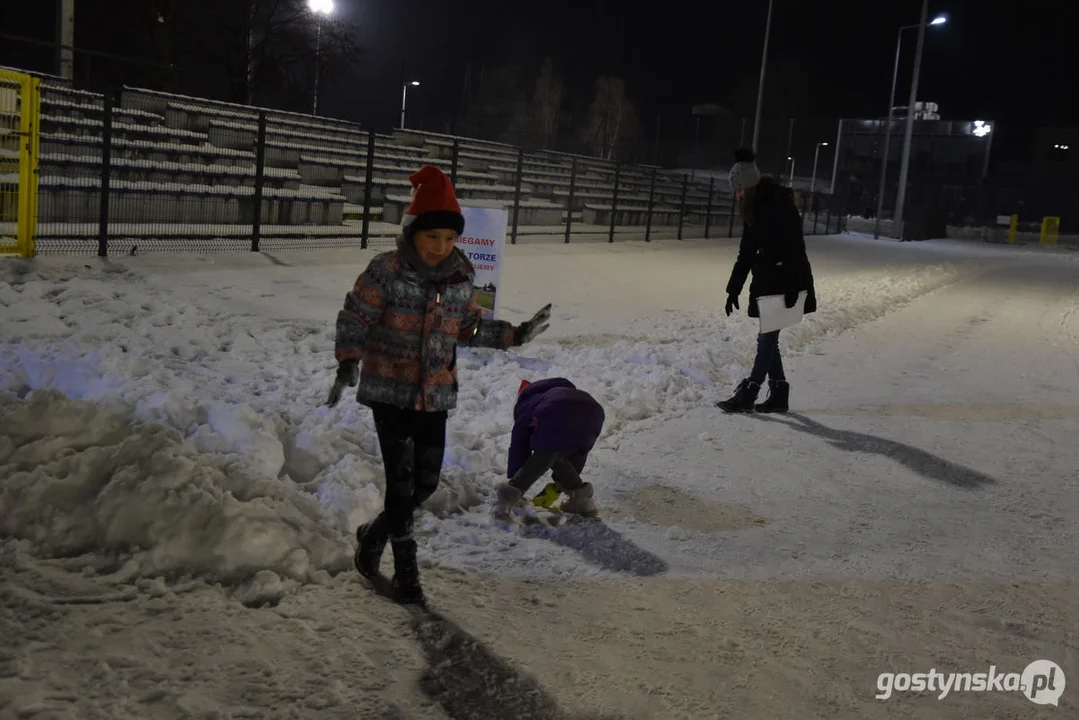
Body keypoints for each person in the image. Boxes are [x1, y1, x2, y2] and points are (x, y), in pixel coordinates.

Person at [327, 164, 552, 605]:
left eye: (450, 238)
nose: (441, 246)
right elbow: (355, 315)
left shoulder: (459, 276)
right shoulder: (387, 270)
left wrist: (515, 334)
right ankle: (407, 572)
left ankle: (373, 536)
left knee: (426, 485)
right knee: (402, 481)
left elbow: (466, 327)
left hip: (434, 394)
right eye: (433, 237)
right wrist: (348, 359)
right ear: (413, 232)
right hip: (389, 392)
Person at [717, 148, 817, 414]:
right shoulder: (753, 209)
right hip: (767, 281)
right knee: (769, 338)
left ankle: (750, 392)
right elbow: (746, 252)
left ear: (749, 185)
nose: (737, 194)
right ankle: (779, 392)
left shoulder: (780, 204)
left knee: (766, 338)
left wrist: (795, 286)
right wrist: (733, 290)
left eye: (739, 189)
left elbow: (796, 247)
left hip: (786, 281)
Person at [492, 378, 605, 519]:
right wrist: (560, 483)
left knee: (545, 454)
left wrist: (514, 477)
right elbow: (578, 454)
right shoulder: (564, 394)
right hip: (595, 414)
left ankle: (505, 501)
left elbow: (519, 444)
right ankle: (582, 501)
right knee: (557, 453)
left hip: (557, 411)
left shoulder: (528, 401)